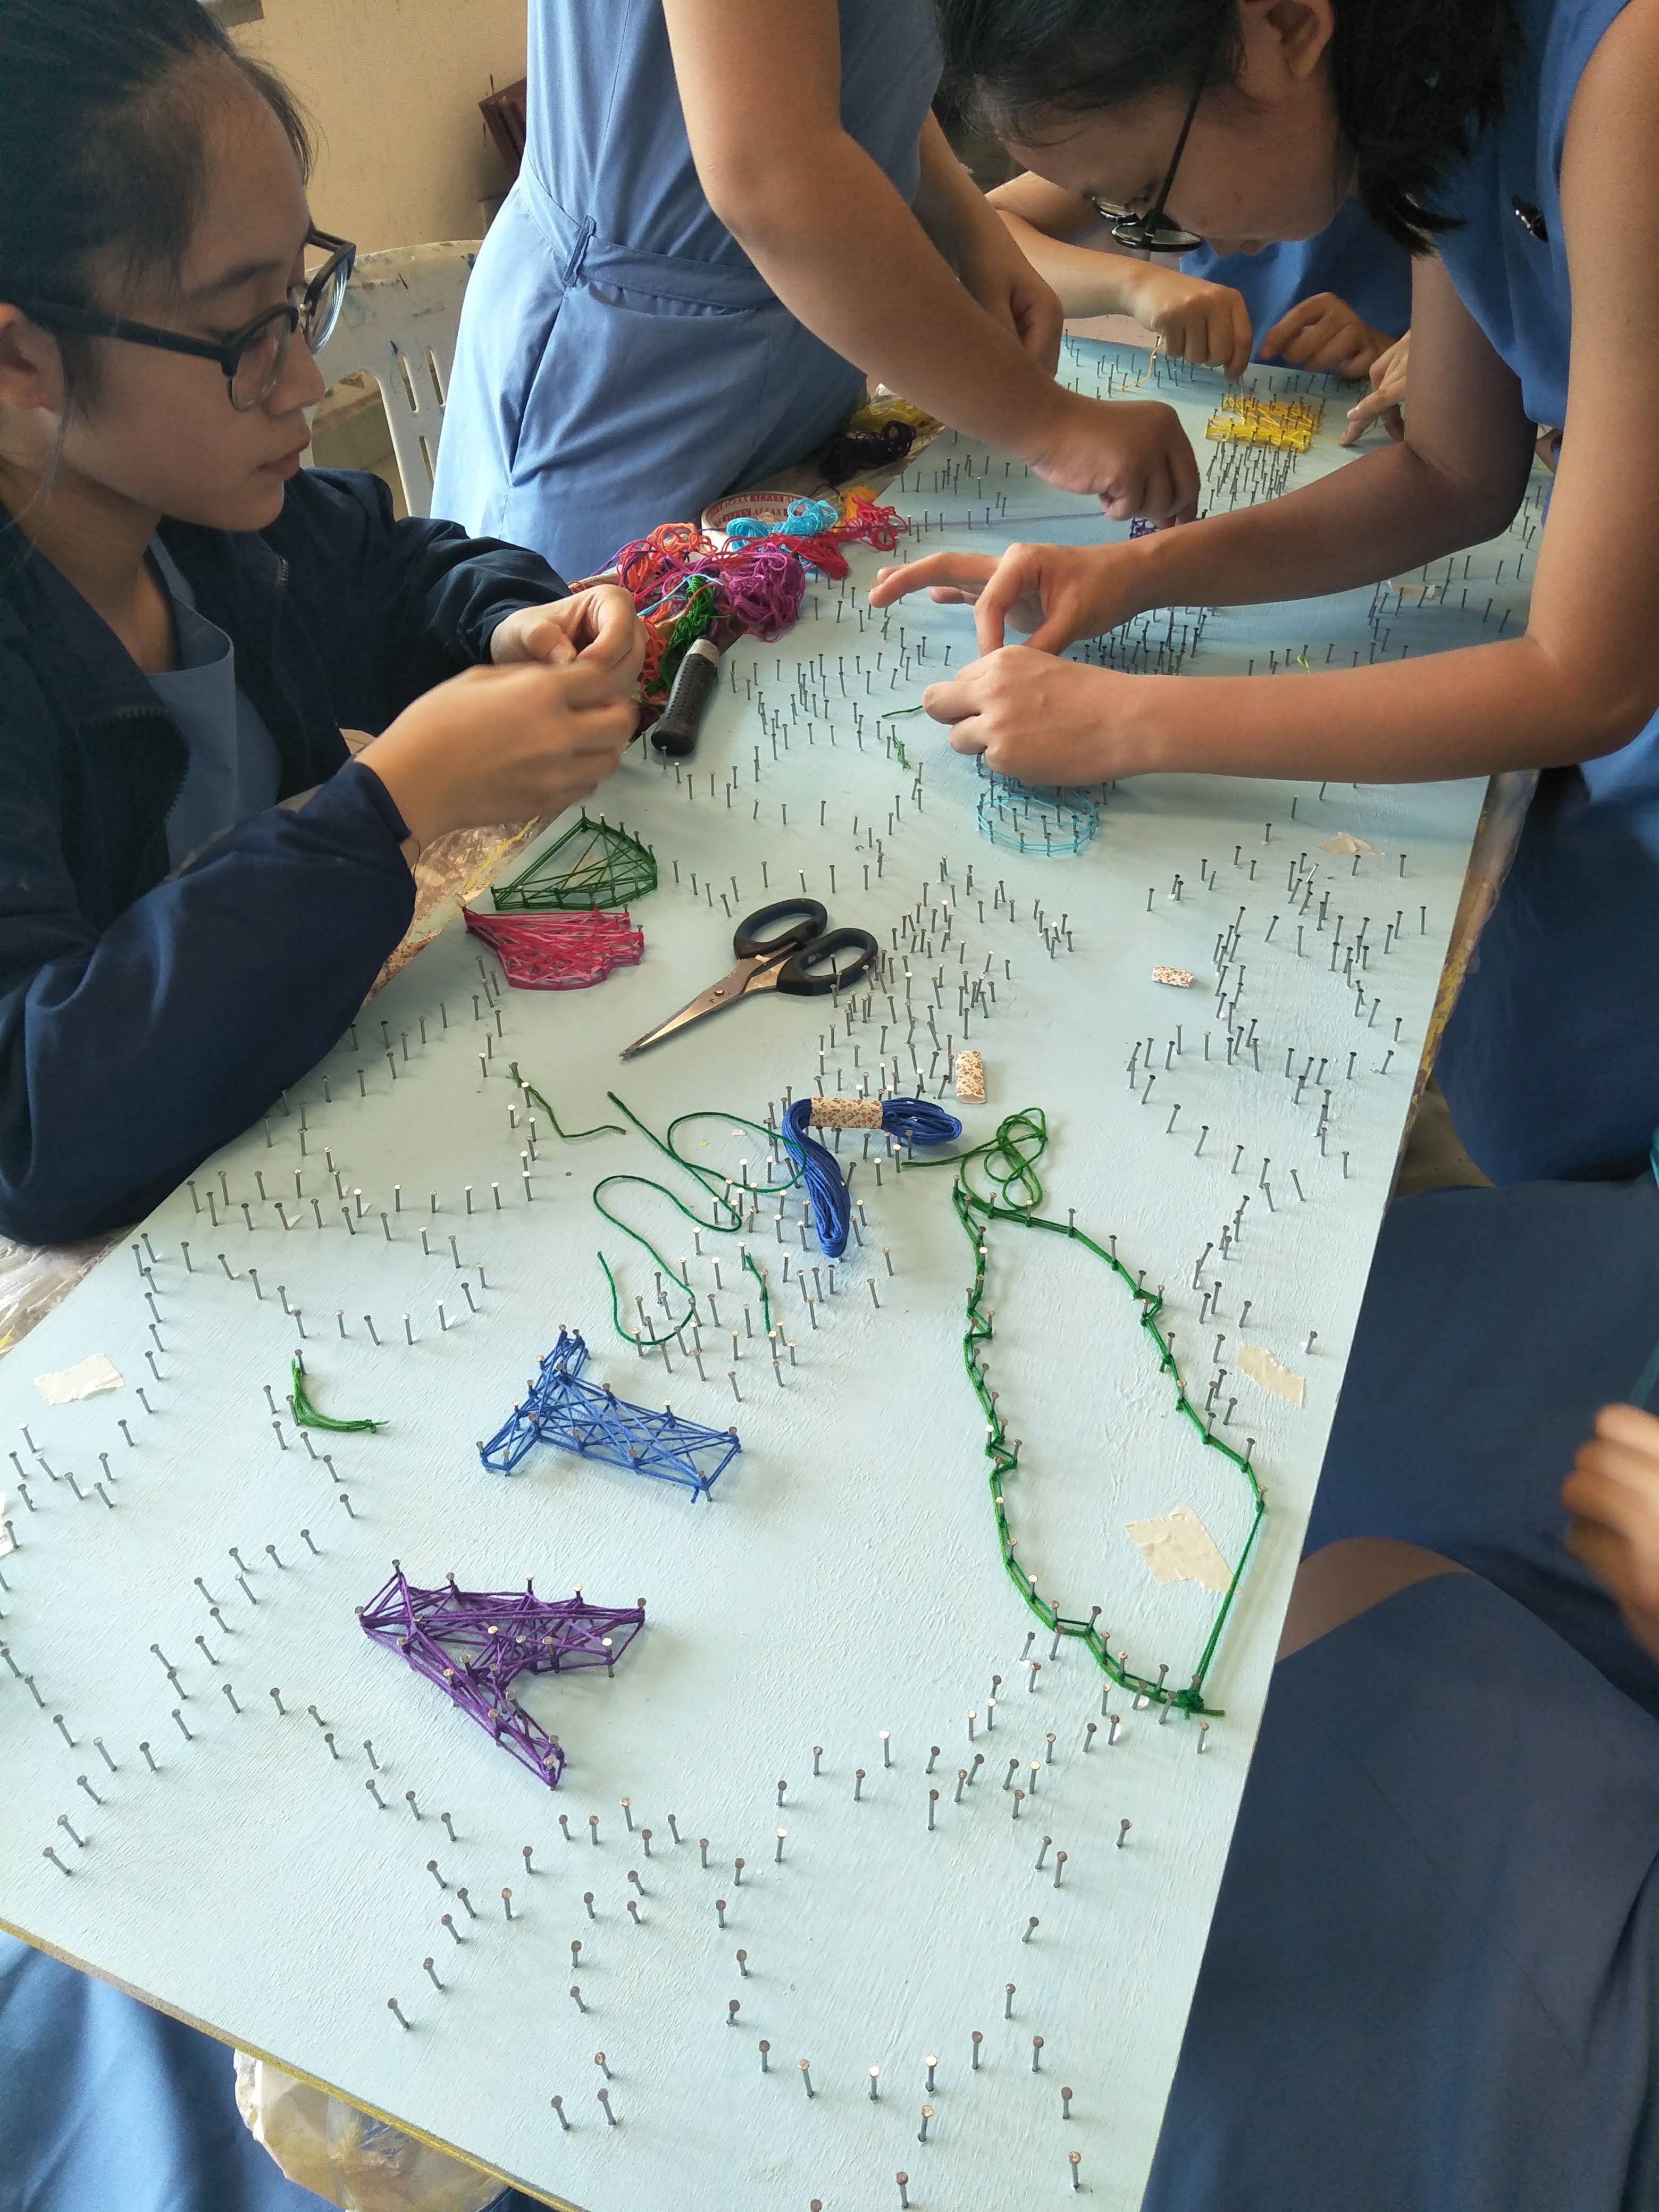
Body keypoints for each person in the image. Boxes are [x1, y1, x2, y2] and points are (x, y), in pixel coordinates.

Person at [872, 0, 1659, 1186]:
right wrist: (1130, 572)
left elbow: (1587, 680)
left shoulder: (1626, 74)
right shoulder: (1434, 82)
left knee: (1575, 1169)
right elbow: (1452, 474)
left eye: (1150, 196)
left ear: (1285, 26)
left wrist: (1131, 722)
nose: (1175, 242)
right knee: (1519, 1101)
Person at [0, 0, 644, 1248]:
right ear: (21, 363)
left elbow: (401, 578)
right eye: (242, 332)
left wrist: (517, 623)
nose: (303, 376)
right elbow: (37, 1124)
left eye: (299, 297)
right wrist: (386, 806)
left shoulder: (211, 515)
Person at [430, 0, 1204, 582]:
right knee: (591, 690)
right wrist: (1053, 425)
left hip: (805, 362)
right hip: (624, 383)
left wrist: (968, 224)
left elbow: (820, 60)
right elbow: (769, 172)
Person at [987, 172, 1409, 384]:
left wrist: (1400, 356)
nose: (1220, 246)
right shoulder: (1175, 118)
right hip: (1225, 395)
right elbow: (980, 237)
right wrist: (1135, 284)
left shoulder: (1429, 171)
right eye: (1146, 193)